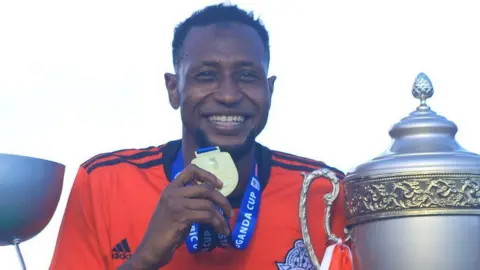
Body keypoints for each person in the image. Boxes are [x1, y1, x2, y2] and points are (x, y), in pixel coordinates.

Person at [49, 3, 347, 270]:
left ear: (269, 90)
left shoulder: (325, 191)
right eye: (206, 75)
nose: (229, 95)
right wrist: (145, 259)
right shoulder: (104, 184)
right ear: (173, 89)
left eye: (247, 75)